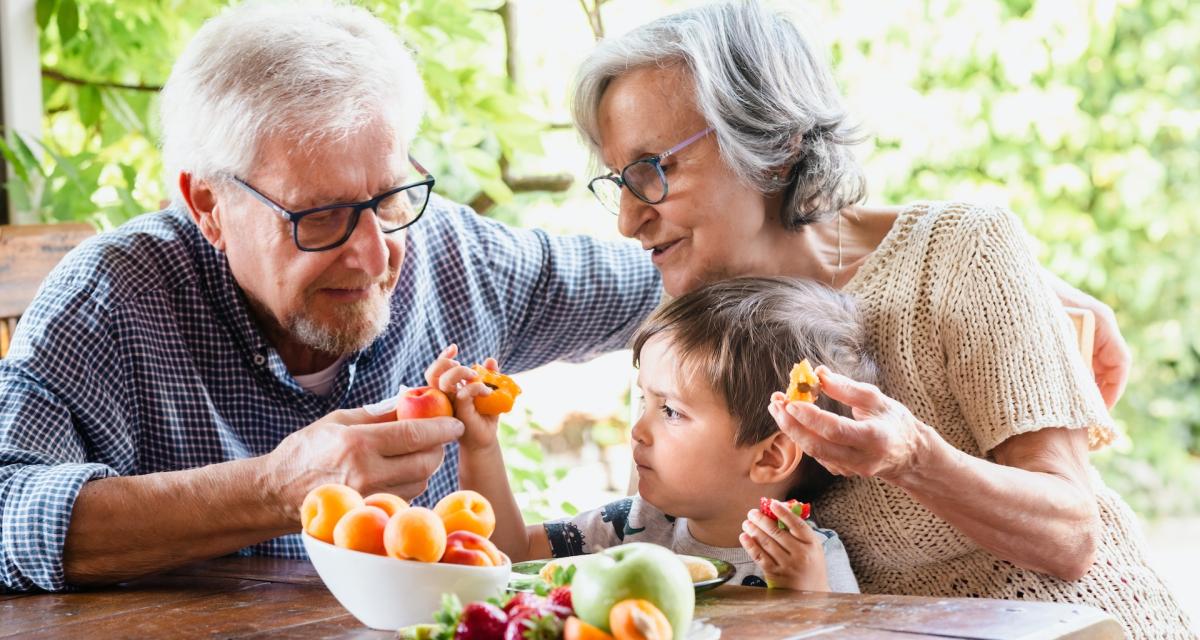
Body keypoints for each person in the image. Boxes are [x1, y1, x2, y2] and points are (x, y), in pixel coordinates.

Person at [569, 1, 1192, 636]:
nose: (627, 219)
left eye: (654, 170)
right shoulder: (690, 326)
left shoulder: (957, 252)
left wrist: (912, 459)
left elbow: (1070, 537)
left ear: (776, 145)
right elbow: (672, 546)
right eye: (618, 179)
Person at [0, 2, 661, 593]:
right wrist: (277, 488)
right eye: (320, 216)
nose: (375, 256)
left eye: (389, 196)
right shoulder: (113, 297)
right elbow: (7, 512)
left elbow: (671, 279)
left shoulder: (459, 259)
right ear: (209, 205)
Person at [429, 277, 870, 591]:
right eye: (645, 402)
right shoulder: (637, 526)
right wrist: (480, 445)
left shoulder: (809, 558)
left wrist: (810, 597)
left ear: (770, 457)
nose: (638, 430)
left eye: (671, 411)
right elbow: (511, 554)